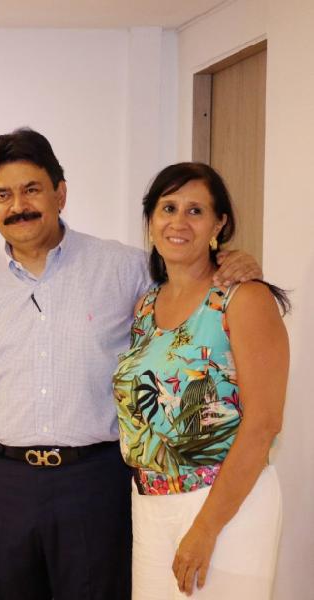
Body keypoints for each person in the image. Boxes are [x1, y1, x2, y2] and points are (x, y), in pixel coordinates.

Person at [0, 128, 262, 600]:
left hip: (94, 483)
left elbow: (190, 284)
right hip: (0, 488)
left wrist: (233, 262)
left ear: (60, 193)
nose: (18, 206)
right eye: (2, 195)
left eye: (32, 189)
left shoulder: (126, 268)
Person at [114, 162, 288, 599]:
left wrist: (206, 527)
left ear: (219, 224)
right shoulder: (145, 306)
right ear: (150, 220)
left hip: (226, 505)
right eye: (168, 208)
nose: (179, 222)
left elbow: (264, 424)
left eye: (195, 211)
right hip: (149, 504)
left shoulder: (244, 298)